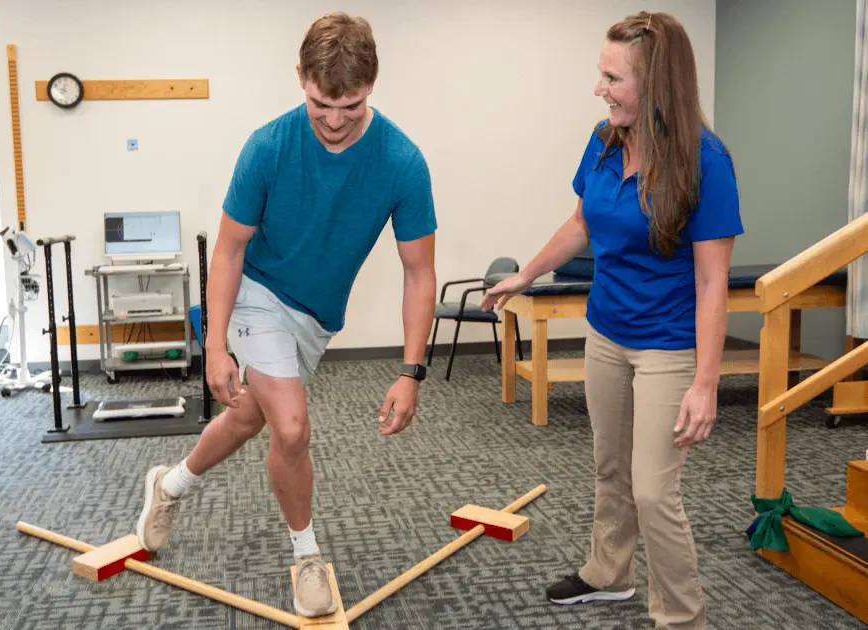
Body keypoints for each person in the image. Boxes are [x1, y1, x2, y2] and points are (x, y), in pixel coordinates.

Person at [134, 12, 437, 618]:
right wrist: (215, 344)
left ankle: (167, 486)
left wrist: (411, 370)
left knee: (248, 417)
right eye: (322, 102)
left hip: (316, 318)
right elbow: (228, 249)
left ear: (372, 85)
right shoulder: (268, 146)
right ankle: (306, 556)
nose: (333, 120)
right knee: (291, 427)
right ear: (300, 77)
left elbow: (418, 272)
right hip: (257, 292)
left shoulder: (402, 161)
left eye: (350, 106)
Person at [482, 11, 742, 630]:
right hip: (606, 331)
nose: (599, 88)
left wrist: (705, 382)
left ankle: (682, 617)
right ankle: (609, 573)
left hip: (667, 346)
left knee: (654, 491)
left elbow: (712, 282)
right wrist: (527, 274)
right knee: (610, 467)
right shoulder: (604, 140)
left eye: (612, 76)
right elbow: (581, 223)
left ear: (656, 83)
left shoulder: (708, 161)